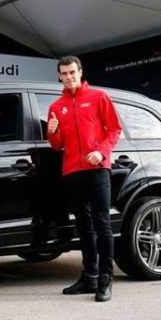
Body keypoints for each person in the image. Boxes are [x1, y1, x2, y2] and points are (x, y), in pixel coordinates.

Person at [47, 56, 122, 302]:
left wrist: (101, 151)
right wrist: (52, 131)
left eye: (72, 72)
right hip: (72, 172)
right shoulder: (56, 107)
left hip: (97, 168)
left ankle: (105, 278)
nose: (69, 77)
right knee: (84, 226)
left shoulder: (98, 97)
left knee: (102, 223)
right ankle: (89, 276)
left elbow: (114, 129)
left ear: (80, 72)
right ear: (59, 76)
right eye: (64, 73)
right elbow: (57, 146)